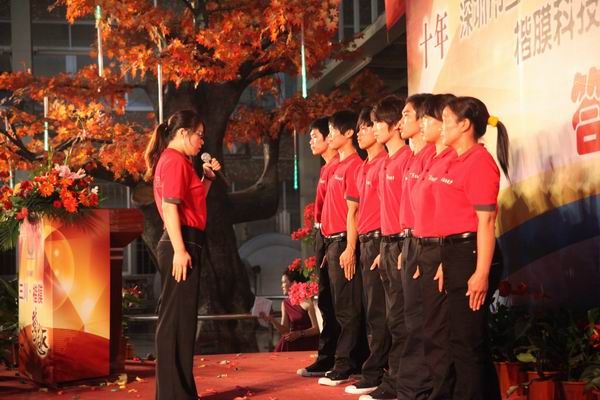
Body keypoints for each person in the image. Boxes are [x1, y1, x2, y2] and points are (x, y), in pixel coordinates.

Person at [429, 96, 508, 400]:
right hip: (455, 254)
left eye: (447, 121)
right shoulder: (455, 159)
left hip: (473, 255)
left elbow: (486, 222)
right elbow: (452, 216)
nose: (442, 126)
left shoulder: (480, 162)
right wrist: (445, 262)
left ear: (465, 125)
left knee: (467, 342)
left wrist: (481, 273)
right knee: (461, 340)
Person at [144, 110, 221, 400]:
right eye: (198, 134)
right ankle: (173, 394)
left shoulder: (178, 161)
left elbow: (192, 202)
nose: (202, 141)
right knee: (176, 320)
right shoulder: (174, 160)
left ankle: (178, 391)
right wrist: (179, 250)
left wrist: (208, 178)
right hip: (182, 242)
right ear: (182, 133)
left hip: (186, 240)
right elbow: (171, 207)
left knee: (181, 319)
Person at [360, 95, 430, 400]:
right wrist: (383, 249)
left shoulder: (406, 160)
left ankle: (401, 383)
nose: (375, 128)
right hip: (387, 244)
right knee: (392, 319)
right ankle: (395, 382)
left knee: (403, 321)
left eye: (378, 123)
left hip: (406, 243)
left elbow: (413, 208)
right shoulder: (388, 161)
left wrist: (402, 246)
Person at [409, 93, 457, 399]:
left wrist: (445, 257)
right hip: (424, 248)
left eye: (430, 118)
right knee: (430, 329)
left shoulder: (453, 160)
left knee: (441, 332)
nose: (423, 124)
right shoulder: (433, 160)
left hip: (444, 248)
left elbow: (456, 214)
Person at [318, 110, 368, 387]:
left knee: (348, 307)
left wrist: (350, 247)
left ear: (348, 133)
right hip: (332, 242)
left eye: (333, 131)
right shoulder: (336, 165)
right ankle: (347, 360)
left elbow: (355, 213)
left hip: (344, 242)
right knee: (339, 306)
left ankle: (345, 364)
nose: (330, 136)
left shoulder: (354, 166)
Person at [344, 107, 389, 396]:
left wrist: (385, 247)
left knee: (382, 313)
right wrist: (351, 247)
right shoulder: (362, 167)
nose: (361, 133)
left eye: (366, 127)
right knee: (371, 311)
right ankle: (373, 370)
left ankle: (379, 373)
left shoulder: (386, 162)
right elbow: (354, 212)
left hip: (382, 241)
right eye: (359, 128)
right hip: (365, 242)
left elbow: (393, 209)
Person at [297, 117, 341, 376]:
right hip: (324, 235)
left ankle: (336, 358)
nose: (311, 141)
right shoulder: (326, 168)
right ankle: (329, 356)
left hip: (336, 238)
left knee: (337, 303)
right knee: (326, 300)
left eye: (315, 136)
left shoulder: (340, 166)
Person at [261, 269, 320, 352]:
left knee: (286, 342)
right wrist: (272, 320)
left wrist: (299, 334)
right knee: (285, 340)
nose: (282, 286)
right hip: (293, 339)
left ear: (293, 283)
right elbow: (285, 330)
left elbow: (316, 329)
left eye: (284, 282)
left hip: (308, 340)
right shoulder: (285, 303)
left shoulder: (307, 301)